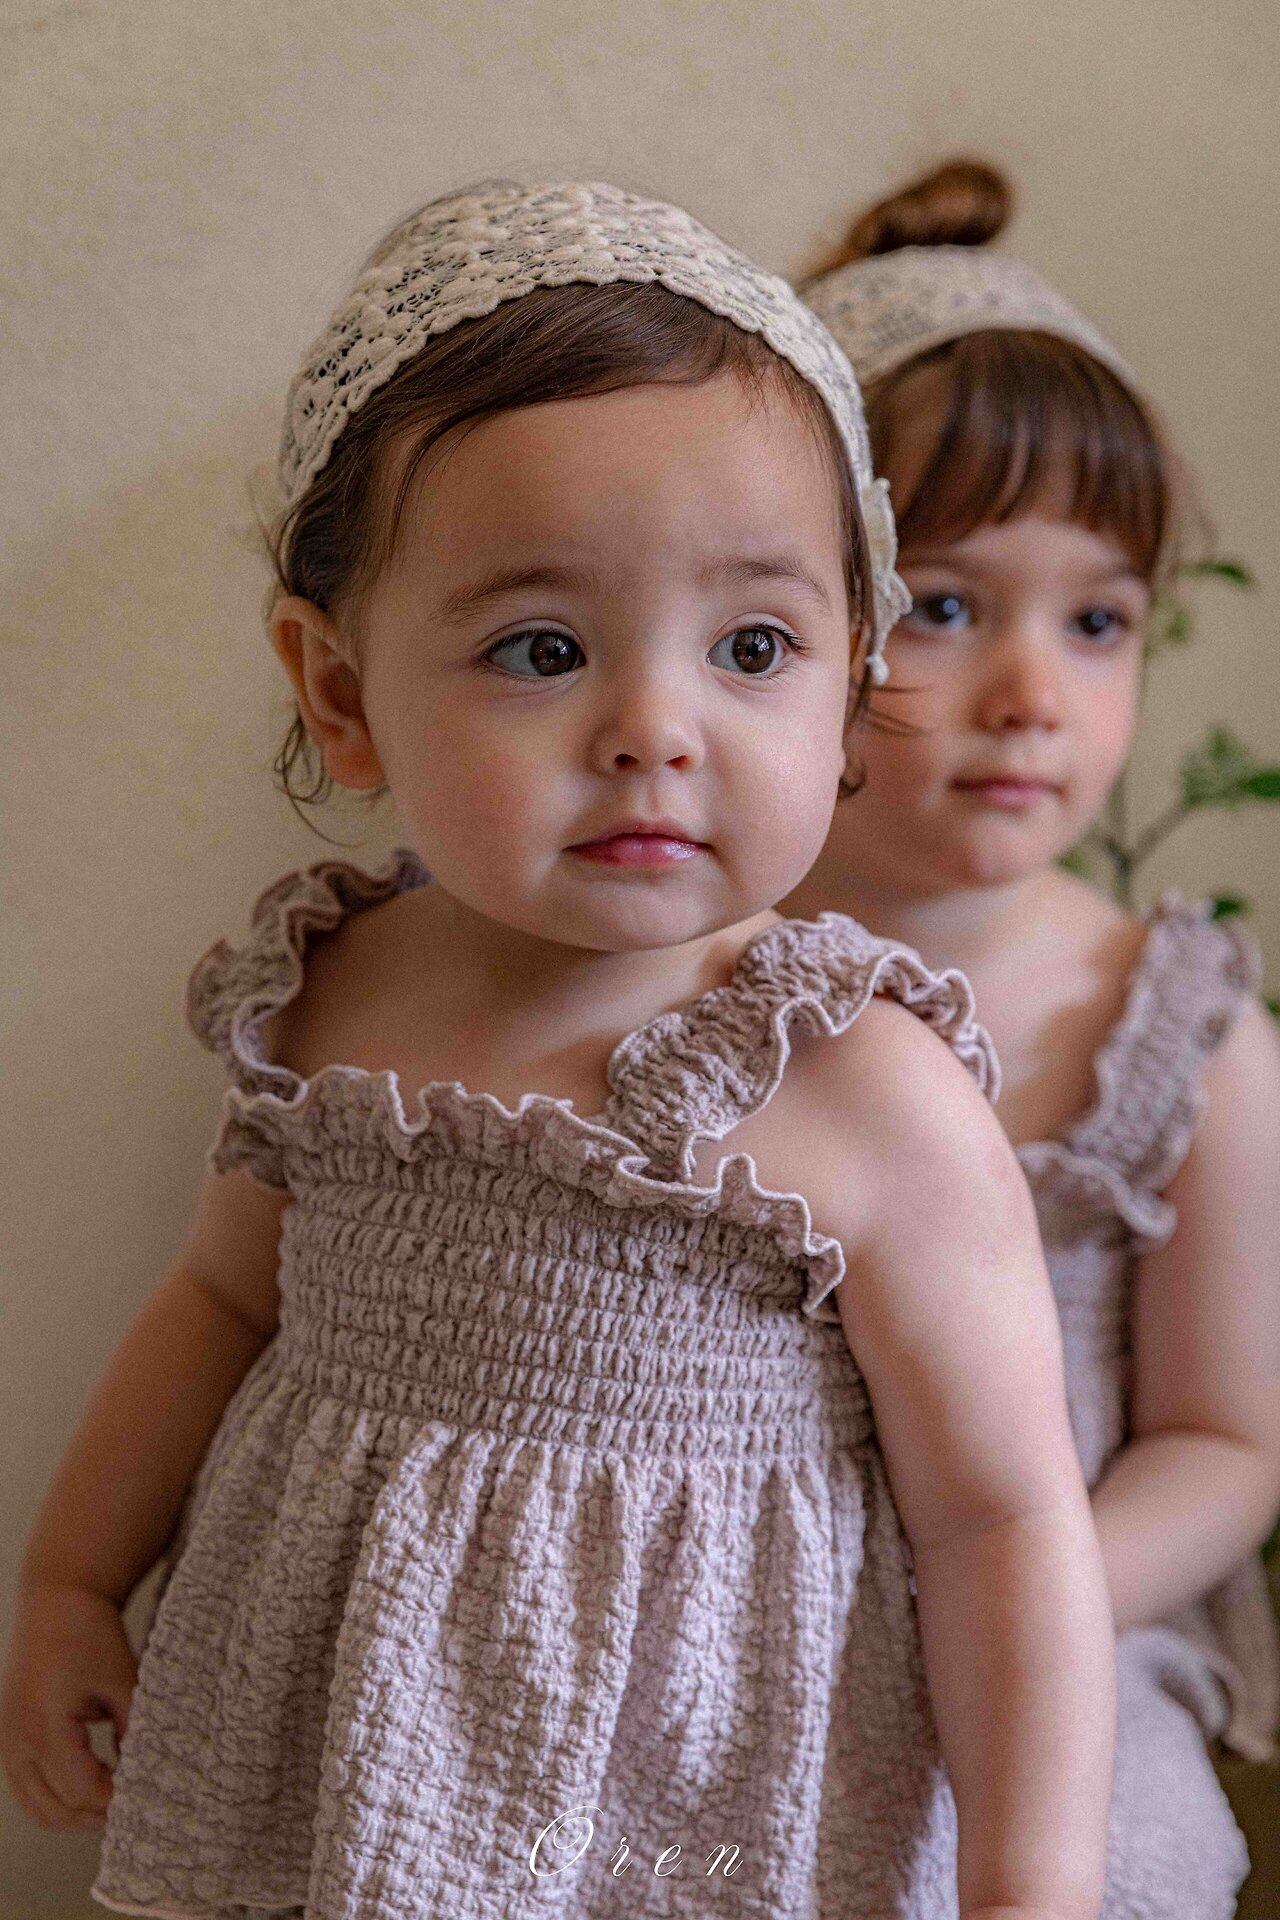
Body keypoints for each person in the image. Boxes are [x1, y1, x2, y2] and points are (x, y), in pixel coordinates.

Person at [1, 178, 1114, 1920]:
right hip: (343, 1750)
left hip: (691, 1804)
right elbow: (220, 1301)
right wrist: (71, 1581)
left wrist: (1029, 1885)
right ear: (340, 693)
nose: (655, 729)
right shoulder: (332, 996)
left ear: (849, 679)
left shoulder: (856, 1083)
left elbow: (1001, 1522)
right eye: (543, 648)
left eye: (753, 646)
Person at [791, 156, 1280, 1919]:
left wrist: (1033, 1597)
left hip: (1062, 1626)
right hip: (719, 1612)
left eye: (1098, 621)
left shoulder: (1181, 1033)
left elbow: (1226, 1443)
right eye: (945, 605)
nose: (1033, 696)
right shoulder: (673, 980)